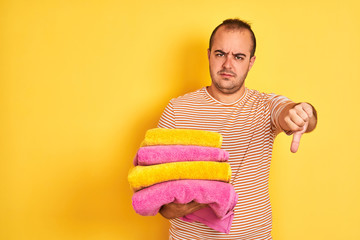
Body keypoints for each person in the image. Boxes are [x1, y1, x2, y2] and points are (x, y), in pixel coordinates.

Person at [156, 18, 317, 240]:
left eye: (238, 57)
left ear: (250, 62)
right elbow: (160, 203)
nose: (228, 65)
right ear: (209, 55)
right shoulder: (177, 109)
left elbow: (289, 111)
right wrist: (189, 203)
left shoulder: (266, 106)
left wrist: (302, 114)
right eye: (220, 54)